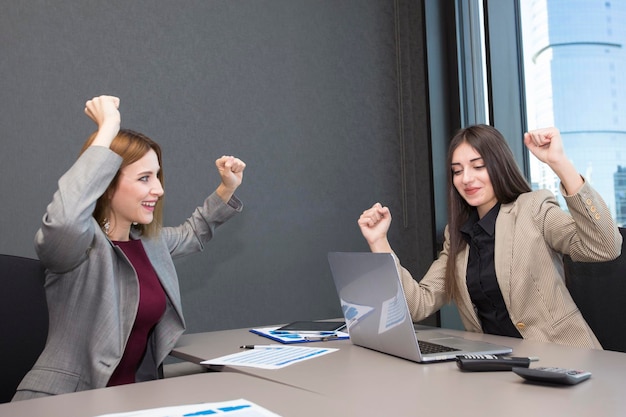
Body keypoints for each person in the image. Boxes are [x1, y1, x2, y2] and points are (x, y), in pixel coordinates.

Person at [13, 95, 246, 400]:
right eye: (145, 178)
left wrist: (227, 188)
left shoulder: (151, 243)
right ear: (106, 185)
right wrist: (107, 128)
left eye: (157, 177)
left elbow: (195, 232)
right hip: (65, 401)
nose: (159, 190)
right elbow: (65, 220)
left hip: (130, 399)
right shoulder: (77, 246)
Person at [358, 124, 622, 349]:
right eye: (457, 170)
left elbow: (604, 247)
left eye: (478, 166)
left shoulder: (533, 208)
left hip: (565, 361)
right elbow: (417, 305)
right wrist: (379, 241)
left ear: (498, 165)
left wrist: (559, 163)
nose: (466, 178)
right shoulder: (459, 235)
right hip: (500, 372)